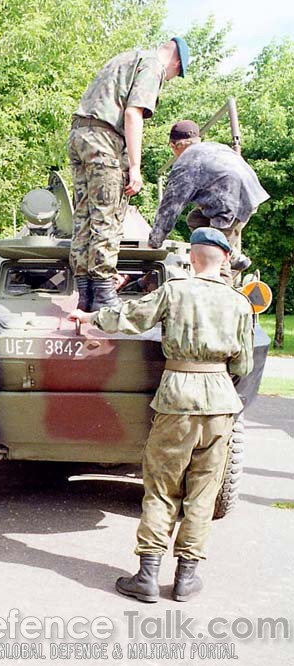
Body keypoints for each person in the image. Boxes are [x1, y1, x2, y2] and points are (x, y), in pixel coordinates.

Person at [68, 227, 254, 602]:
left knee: (161, 488)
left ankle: (147, 577)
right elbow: (244, 364)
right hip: (220, 403)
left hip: (177, 398)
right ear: (223, 261)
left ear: (193, 258)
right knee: (202, 493)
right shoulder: (239, 303)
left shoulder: (176, 291)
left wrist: (89, 319)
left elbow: (132, 317)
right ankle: (186, 578)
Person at [69, 37, 190, 312]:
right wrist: (135, 167)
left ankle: (85, 294)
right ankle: (103, 293)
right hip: (104, 141)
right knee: (107, 216)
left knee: (85, 216)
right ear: (176, 62)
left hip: (79, 136)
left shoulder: (123, 58)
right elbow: (133, 114)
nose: (169, 79)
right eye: (175, 74)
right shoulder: (153, 65)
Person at [148, 119, 270, 284]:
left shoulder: (186, 163)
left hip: (229, 204)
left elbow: (170, 208)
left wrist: (154, 243)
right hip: (249, 194)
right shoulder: (216, 147)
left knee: (214, 253)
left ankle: (223, 300)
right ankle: (234, 257)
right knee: (196, 219)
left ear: (174, 145)